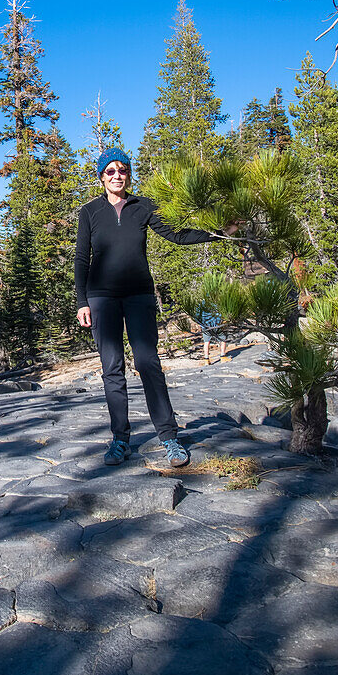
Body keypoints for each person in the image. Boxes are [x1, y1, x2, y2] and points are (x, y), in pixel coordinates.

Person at [75, 146, 219, 468]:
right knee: (112, 368)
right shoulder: (89, 212)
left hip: (139, 295)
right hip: (101, 298)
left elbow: (176, 236)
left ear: (129, 174)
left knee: (148, 362)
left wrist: (220, 233)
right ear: (101, 177)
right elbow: (82, 259)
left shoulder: (144, 207)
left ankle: (169, 438)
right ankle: (120, 439)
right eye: (110, 171)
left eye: (122, 170)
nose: (117, 176)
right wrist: (81, 301)